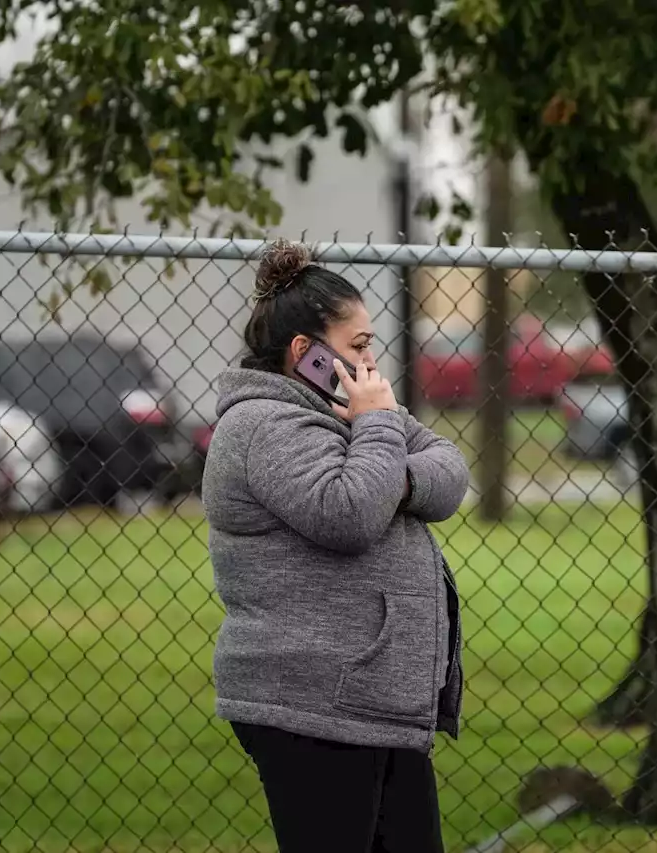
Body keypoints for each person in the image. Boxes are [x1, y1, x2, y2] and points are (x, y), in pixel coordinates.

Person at [201, 239, 470, 853]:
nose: (370, 365)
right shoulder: (263, 425)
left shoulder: (342, 408)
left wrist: (393, 476)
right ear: (305, 352)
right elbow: (348, 513)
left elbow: (450, 470)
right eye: (358, 347)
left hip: (370, 702)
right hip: (312, 701)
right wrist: (377, 426)